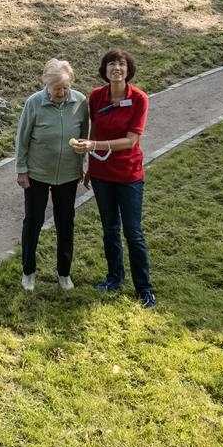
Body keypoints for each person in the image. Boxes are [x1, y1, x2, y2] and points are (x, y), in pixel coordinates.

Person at [73, 48, 155, 308]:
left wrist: (96, 145)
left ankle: (144, 289)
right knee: (110, 230)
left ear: (128, 70)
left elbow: (131, 141)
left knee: (133, 232)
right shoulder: (96, 96)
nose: (116, 68)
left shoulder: (140, 99)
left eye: (121, 65)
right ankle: (114, 278)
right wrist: (89, 165)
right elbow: (94, 128)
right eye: (111, 64)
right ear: (104, 70)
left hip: (129, 174)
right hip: (101, 174)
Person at [15, 57, 89, 291]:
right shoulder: (34, 103)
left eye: (66, 87)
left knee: (66, 223)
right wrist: (21, 169)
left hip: (67, 174)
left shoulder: (80, 101)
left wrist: (81, 164)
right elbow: (22, 138)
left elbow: (85, 135)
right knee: (33, 223)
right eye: (57, 88)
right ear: (46, 83)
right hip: (37, 173)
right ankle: (28, 271)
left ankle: (64, 273)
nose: (62, 92)